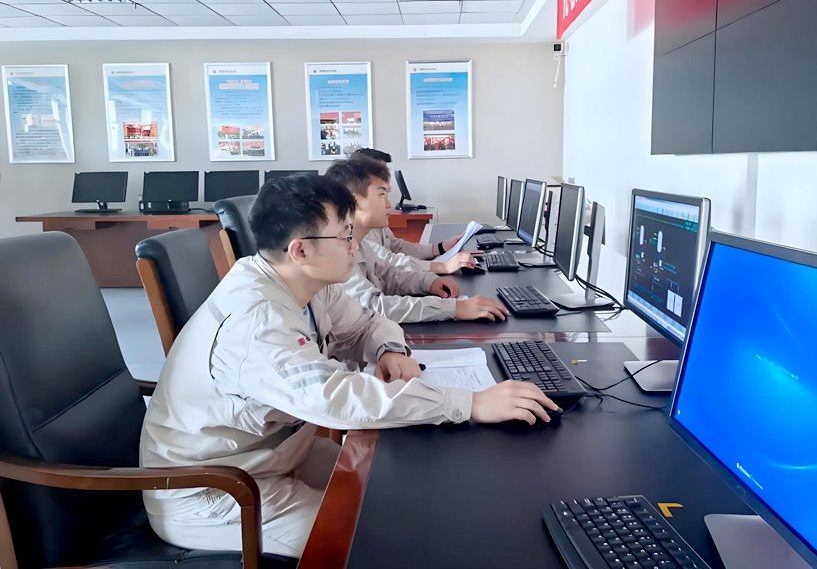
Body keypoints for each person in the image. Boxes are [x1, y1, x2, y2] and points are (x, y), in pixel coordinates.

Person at [140, 175, 556, 558]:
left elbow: (367, 323)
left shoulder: (301, 281)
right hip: (216, 489)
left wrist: (390, 350)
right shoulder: (257, 323)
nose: (354, 247)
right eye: (344, 236)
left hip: (278, 452)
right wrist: (470, 403)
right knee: (378, 541)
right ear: (301, 250)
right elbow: (335, 398)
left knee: (408, 494)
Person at [325, 158, 509, 324]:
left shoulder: (360, 244)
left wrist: (429, 282)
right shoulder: (336, 254)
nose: (389, 204)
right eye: (382, 195)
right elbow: (374, 307)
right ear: (355, 202)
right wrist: (453, 308)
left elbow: (390, 275)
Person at [350, 148, 474, 273]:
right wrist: (442, 267)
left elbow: (397, 247)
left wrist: (440, 248)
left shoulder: (376, 219)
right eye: (380, 176)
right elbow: (388, 262)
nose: (388, 186)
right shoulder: (356, 230)